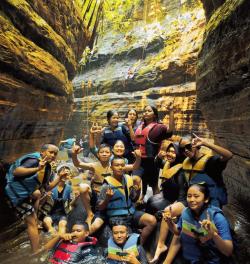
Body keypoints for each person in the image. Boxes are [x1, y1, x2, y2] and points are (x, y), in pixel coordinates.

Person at [4, 144, 64, 252]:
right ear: (43, 152)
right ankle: (35, 252)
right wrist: (37, 168)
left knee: (37, 194)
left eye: (55, 154)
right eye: (51, 152)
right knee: (31, 222)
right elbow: (16, 171)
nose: (53, 155)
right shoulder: (35, 161)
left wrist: (59, 177)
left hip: (24, 193)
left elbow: (47, 187)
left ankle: (35, 218)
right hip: (15, 193)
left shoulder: (47, 167)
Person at [164, 183, 233, 264]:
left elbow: (228, 251)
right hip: (190, 260)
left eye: (196, 196)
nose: (192, 199)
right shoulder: (185, 213)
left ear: (206, 199)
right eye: (189, 196)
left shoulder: (217, 217)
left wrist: (213, 234)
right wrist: (169, 222)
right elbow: (177, 231)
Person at [98, 157, 157, 245]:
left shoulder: (128, 179)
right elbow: (100, 207)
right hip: (116, 216)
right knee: (126, 239)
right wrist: (107, 199)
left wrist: (137, 191)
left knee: (152, 220)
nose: (120, 167)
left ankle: (140, 246)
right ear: (111, 167)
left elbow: (134, 199)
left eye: (122, 165)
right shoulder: (106, 185)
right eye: (117, 165)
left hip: (131, 212)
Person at [149, 141, 186, 263]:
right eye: (169, 151)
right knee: (150, 201)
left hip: (179, 200)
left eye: (173, 152)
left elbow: (182, 195)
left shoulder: (180, 171)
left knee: (165, 210)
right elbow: (158, 162)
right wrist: (159, 156)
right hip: (166, 196)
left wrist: (175, 205)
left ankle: (161, 244)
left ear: (179, 154)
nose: (170, 154)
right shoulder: (168, 164)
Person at [180, 133, 233, 207]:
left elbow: (228, 155)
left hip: (211, 202)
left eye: (188, 146)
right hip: (194, 200)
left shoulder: (210, 161)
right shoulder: (186, 162)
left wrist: (206, 144)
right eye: (182, 149)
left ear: (196, 145)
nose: (185, 150)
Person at [133, 105, 174, 196]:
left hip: (152, 162)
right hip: (139, 160)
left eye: (149, 111)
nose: (146, 112)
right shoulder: (139, 127)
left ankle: (157, 204)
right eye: (145, 111)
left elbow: (170, 130)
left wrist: (171, 111)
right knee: (135, 180)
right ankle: (135, 201)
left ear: (154, 115)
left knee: (154, 186)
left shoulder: (159, 127)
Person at [37, 222, 104, 263]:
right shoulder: (64, 241)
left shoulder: (88, 249)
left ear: (86, 233)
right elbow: (44, 250)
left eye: (78, 231)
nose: (74, 233)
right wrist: (59, 236)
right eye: (73, 231)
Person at [43, 166, 75, 235]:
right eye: (63, 173)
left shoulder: (69, 188)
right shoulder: (50, 186)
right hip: (49, 213)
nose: (64, 175)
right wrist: (45, 196)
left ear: (69, 176)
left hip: (63, 214)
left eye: (67, 174)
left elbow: (71, 204)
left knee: (62, 225)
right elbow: (40, 202)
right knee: (48, 222)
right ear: (58, 174)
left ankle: (60, 239)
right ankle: (51, 234)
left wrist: (76, 198)